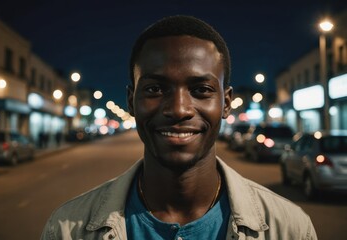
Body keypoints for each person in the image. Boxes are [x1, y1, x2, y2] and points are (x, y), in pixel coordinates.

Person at [41, 15, 317, 240]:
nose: (179, 109)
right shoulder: (68, 229)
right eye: (155, 88)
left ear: (227, 103)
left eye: (201, 89)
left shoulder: (290, 228)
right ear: (131, 102)